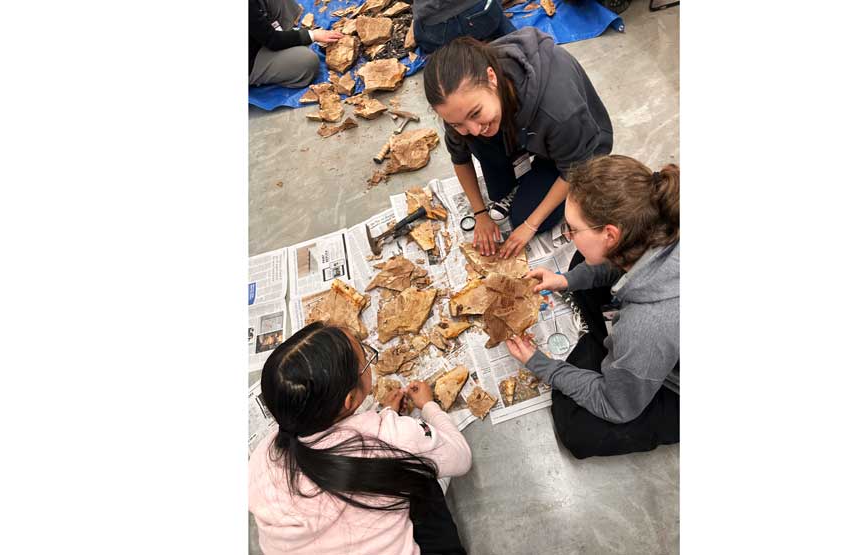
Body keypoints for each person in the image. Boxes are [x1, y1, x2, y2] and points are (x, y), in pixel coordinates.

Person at [504, 155, 680, 459]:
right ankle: (617, 359)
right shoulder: (662, 219)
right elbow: (611, 261)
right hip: (653, 336)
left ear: (610, 234)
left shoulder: (646, 327)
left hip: (668, 378)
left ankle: (618, 361)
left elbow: (617, 407)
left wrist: (541, 364)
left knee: (577, 428)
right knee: (581, 266)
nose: (568, 235)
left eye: (573, 229)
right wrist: (564, 281)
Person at [248, 322, 472, 554]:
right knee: (421, 474)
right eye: (365, 360)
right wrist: (428, 406)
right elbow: (461, 456)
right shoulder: (389, 437)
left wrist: (386, 414)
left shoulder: (261, 457)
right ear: (350, 400)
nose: (367, 361)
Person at [423, 28, 613, 260]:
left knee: (524, 216)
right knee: (498, 192)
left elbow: (574, 169)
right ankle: (526, 171)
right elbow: (459, 157)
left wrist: (529, 226)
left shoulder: (558, 110)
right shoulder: (458, 106)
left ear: (491, 78)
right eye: (456, 123)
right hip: (525, 134)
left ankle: (537, 173)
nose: (473, 130)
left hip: (581, 151)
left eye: (475, 113)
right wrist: (480, 213)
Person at [249, 0, 343, 87]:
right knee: (307, 61)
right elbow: (273, 40)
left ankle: (287, 36)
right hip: (253, 56)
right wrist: (312, 35)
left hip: (260, 34)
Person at [412, 0, 517, 54]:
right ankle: (516, 42)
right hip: (483, 13)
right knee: (496, 17)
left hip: (441, 31)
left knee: (422, 36)